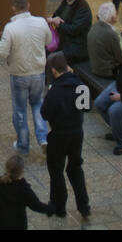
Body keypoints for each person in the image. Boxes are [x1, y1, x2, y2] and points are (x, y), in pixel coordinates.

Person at [0, 0, 52, 154]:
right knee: (37, 104)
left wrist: (6, 60)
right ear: (28, 6)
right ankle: (43, 138)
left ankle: (23, 144)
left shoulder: (11, 28)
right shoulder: (41, 22)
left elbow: (1, 52)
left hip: (19, 74)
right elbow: (48, 41)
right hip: (39, 72)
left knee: (20, 110)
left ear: (13, 8)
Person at [40, 51, 91, 220]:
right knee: (75, 167)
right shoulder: (80, 86)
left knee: (56, 170)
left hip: (59, 135)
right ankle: (84, 206)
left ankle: (59, 206)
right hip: (77, 133)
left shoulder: (54, 92)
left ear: (54, 71)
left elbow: (45, 114)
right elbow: (86, 107)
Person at [0, 153, 54, 230]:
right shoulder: (24, 189)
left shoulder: (0, 184)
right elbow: (36, 205)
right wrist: (49, 209)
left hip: (2, 224)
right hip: (19, 225)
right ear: (21, 171)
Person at [48, 0, 92, 65]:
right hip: (65, 41)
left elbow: (73, 30)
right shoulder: (67, 1)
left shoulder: (83, 8)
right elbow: (56, 14)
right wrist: (55, 19)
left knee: (51, 59)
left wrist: (59, 24)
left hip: (77, 47)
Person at [87, 2, 122, 78]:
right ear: (113, 18)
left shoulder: (94, 26)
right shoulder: (111, 34)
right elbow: (120, 58)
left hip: (94, 65)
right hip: (106, 72)